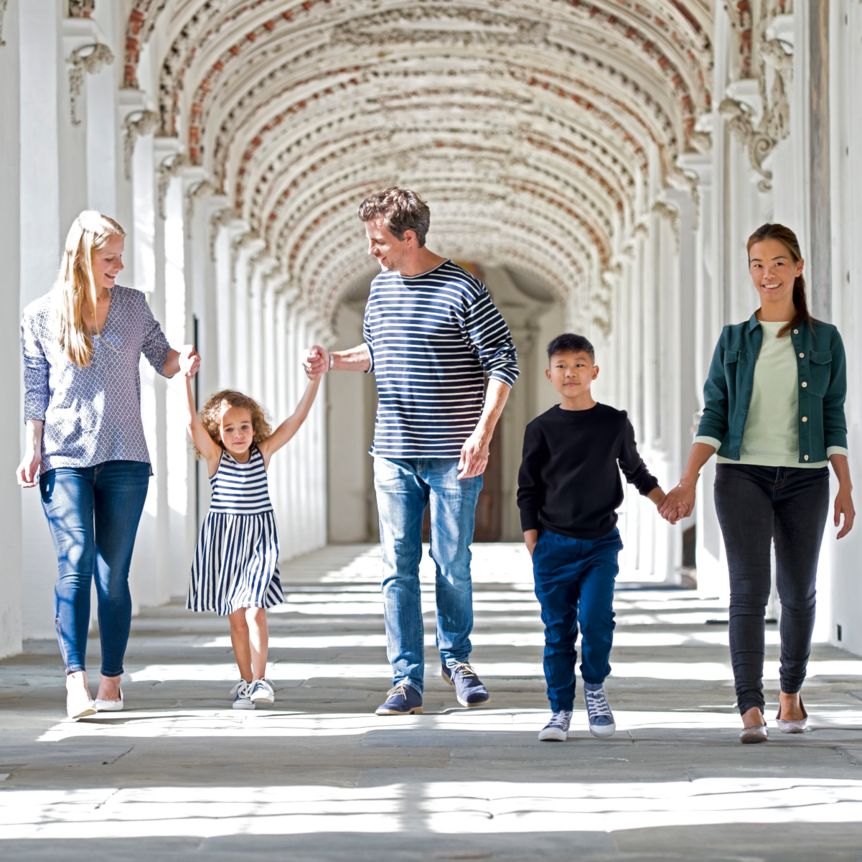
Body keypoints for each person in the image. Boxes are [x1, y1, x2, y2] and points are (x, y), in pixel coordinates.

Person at [304, 186, 519, 716]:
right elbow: (376, 352)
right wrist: (332, 360)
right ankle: (405, 679)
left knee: (452, 563)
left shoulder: (463, 289)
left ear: (408, 236)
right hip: (394, 451)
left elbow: (503, 363)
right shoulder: (380, 289)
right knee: (397, 567)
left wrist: (483, 433)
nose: (371, 250)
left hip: (454, 453)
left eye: (378, 240)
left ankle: (457, 660)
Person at [660, 223, 855, 743]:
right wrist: (686, 480)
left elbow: (834, 416)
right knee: (748, 590)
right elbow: (714, 414)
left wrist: (845, 485)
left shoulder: (824, 340)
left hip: (806, 479)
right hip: (741, 474)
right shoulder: (733, 340)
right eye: (757, 264)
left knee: (798, 591)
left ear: (797, 268)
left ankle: (791, 692)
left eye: (776, 263)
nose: (767, 274)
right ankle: (750, 705)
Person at [17, 210, 199, 720]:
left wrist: (183, 359)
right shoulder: (40, 315)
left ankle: (112, 679)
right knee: (74, 565)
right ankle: (75, 680)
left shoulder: (133, 306)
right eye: (110, 258)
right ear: (82, 257)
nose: (119, 266)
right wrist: (32, 448)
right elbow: (35, 389)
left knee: (112, 574)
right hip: (63, 454)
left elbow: (162, 359)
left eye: (120, 257)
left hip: (125, 456)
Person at [518, 333, 666, 741]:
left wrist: (663, 500)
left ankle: (596, 688)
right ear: (549, 374)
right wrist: (533, 538)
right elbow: (527, 487)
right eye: (562, 366)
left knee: (596, 620)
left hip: (600, 542)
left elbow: (635, 471)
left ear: (594, 371)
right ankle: (560, 710)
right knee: (558, 629)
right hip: (553, 544)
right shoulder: (540, 428)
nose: (571, 373)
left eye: (579, 365)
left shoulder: (614, 422)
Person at [181, 365, 321, 709]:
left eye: (244, 426)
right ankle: (246, 681)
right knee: (237, 614)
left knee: (256, 609)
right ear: (218, 433)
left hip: (258, 538)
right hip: (224, 541)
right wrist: (185, 379)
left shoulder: (263, 453)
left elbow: (296, 421)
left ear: (254, 427)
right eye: (229, 428)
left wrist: (314, 382)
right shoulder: (216, 458)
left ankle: (260, 681)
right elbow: (191, 424)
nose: (239, 434)